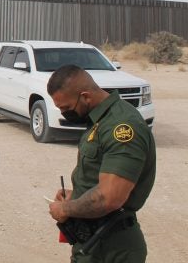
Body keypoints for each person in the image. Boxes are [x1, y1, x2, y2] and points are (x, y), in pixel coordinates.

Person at [47, 64, 156, 262]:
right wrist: (77, 195)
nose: (64, 113)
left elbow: (109, 197)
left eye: (66, 108)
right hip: (93, 243)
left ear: (86, 96)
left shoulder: (122, 127)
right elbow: (100, 179)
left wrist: (65, 209)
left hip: (112, 248)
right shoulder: (99, 120)